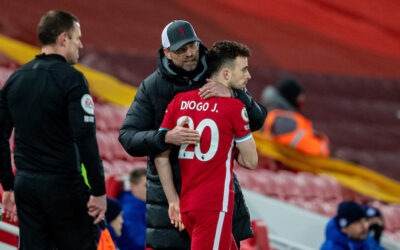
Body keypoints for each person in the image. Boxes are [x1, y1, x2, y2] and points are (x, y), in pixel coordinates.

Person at [119, 20, 267, 249]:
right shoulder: (152, 87)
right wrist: (165, 138)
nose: (190, 53)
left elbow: (257, 120)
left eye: (193, 46)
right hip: (171, 201)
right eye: (181, 50)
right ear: (167, 53)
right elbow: (127, 137)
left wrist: (233, 94)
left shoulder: (219, 74)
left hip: (213, 194)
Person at [0, 10, 106, 249]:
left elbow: (0, 136)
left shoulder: (15, 79)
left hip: (26, 186)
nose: (80, 44)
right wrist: (99, 191)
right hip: (63, 186)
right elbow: (85, 136)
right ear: (63, 39)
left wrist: (8, 185)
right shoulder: (73, 79)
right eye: (77, 37)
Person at [155, 40, 258, 250]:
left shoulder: (179, 101)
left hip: (187, 205)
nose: (249, 75)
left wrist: (173, 200)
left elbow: (160, 154)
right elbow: (251, 161)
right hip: (214, 206)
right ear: (226, 74)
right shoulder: (235, 108)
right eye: (244, 69)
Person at [261, 78, 330, 157]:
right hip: (293, 165)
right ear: (291, 98)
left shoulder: (278, 115)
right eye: (299, 99)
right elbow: (311, 149)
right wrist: (322, 142)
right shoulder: (285, 119)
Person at [117, 168, 147, 250]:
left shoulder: (142, 205)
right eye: (146, 185)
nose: (150, 189)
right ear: (132, 187)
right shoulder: (130, 209)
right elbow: (140, 241)